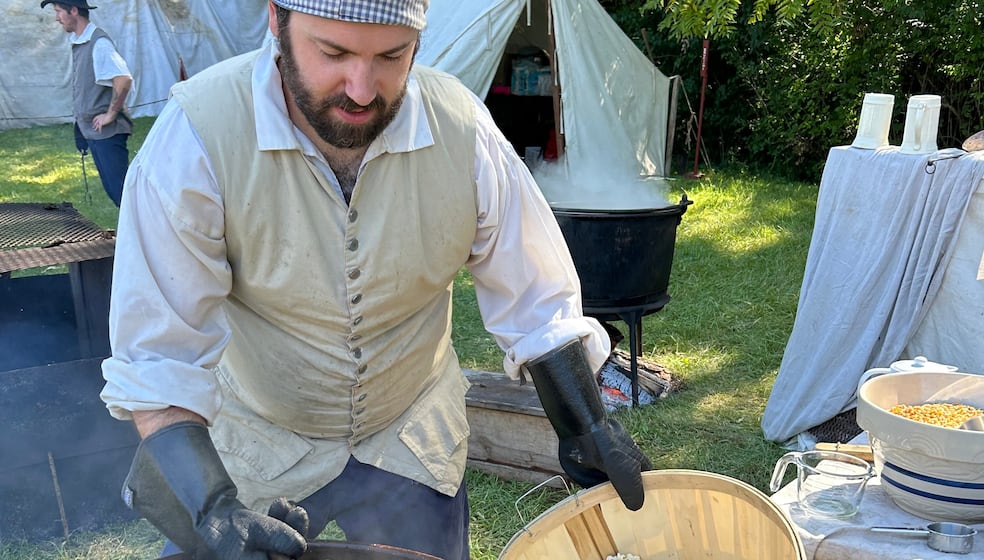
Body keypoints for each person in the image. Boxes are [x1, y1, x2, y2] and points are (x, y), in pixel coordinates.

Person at [99, 1, 651, 558]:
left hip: (410, 433)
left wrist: (585, 424)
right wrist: (210, 508)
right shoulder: (198, 134)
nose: (362, 90)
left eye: (392, 55)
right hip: (263, 439)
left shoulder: (460, 127)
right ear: (276, 20)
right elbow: (158, 353)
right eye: (332, 52)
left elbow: (535, 292)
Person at [42, 0, 133, 207]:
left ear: (73, 11)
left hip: (108, 132)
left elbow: (123, 79)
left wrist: (110, 114)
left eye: (58, 12)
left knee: (122, 193)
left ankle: (149, 235)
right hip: (95, 131)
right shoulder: (81, 41)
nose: (57, 18)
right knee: (117, 192)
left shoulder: (98, 43)